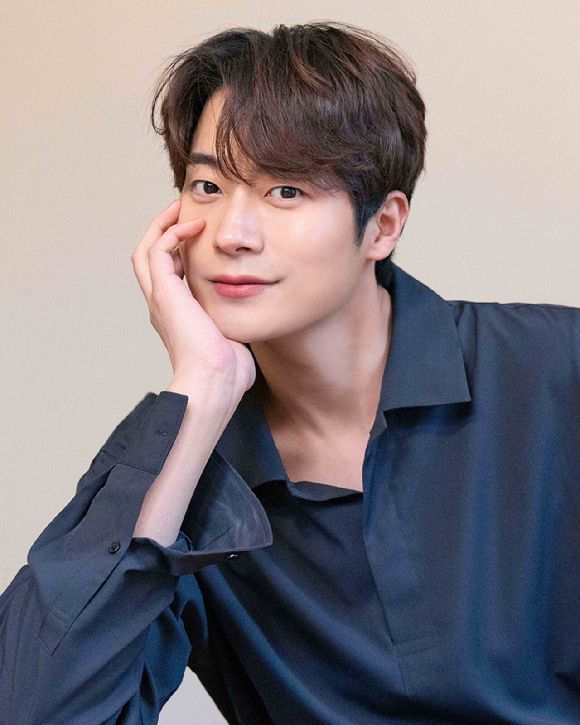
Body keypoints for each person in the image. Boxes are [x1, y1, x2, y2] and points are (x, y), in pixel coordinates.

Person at [1, 20, 578, 725]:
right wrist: (201, 391)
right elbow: (36, 710)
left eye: (286, 192)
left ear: (383, 226)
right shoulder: (182, 472)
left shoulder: (555, 373)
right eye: (207, 185)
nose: (231, 234)